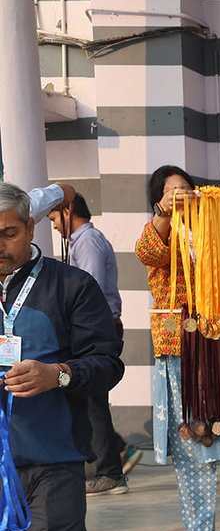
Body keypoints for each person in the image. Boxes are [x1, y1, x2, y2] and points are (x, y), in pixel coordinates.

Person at [0, 181, 124, 531]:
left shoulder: (70, 286)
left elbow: (108, 361)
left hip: (52, 463)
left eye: (8, 233)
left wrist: (59, 374)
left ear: (32, 228)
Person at [135, 165, 220, 531]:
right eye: (171, 192)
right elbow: (147, 252)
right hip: (183, 349)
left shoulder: (213, 235)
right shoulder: (161, 234)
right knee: (195, 437)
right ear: (158, 200)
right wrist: (165, 214)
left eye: (186, 190)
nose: (181, 196)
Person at [47, 186, 137, 497]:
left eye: (54, 218)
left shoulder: (88, 242)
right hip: (91, 328)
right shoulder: (82, 241)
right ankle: (119, 451)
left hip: (95, 329)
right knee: (90, 400)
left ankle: (110, 473)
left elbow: (89, 289)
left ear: (67, 210)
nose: (54, 226)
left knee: (92, 402)